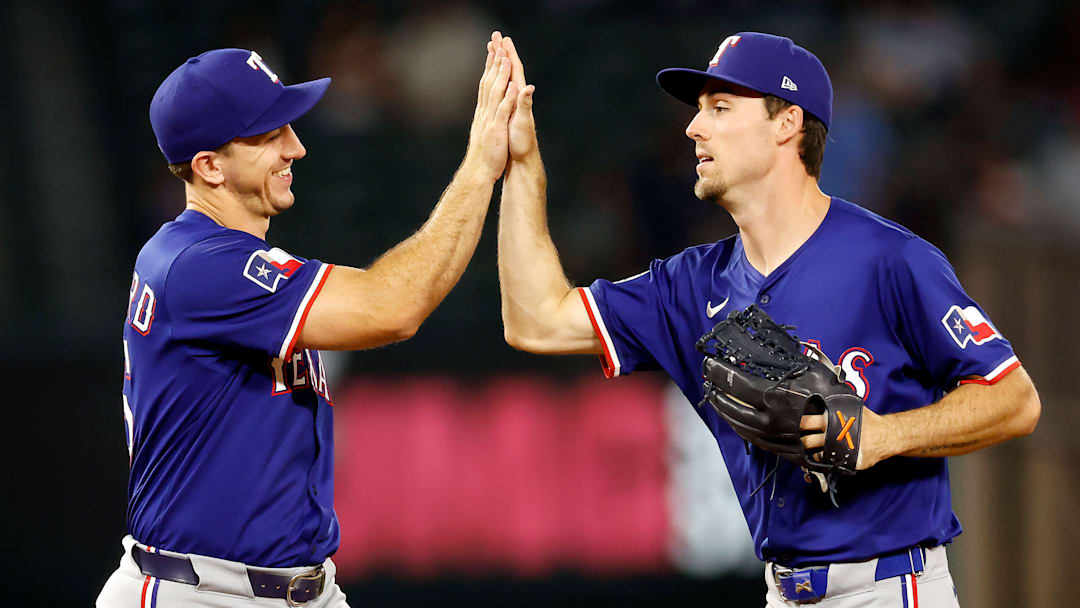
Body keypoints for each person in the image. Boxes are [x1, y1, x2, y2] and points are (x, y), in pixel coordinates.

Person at [495, 32, 1041, 607]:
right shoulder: (690, 284)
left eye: (721, 108)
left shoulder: (890, 259)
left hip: (890, 587)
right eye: (699, 110)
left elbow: (1015, 399)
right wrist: (521, 164)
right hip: (782, 592)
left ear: (788, 125)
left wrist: (884, 435)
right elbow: (535, 322)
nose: (693, 128)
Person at [97, 35, 518, 608]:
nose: (295, 147)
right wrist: (480, 164)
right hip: (198, 593)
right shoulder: (200, 265)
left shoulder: (207, 257)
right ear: (209, 166)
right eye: (270, 136)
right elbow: (393, 308)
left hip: (295, 587)